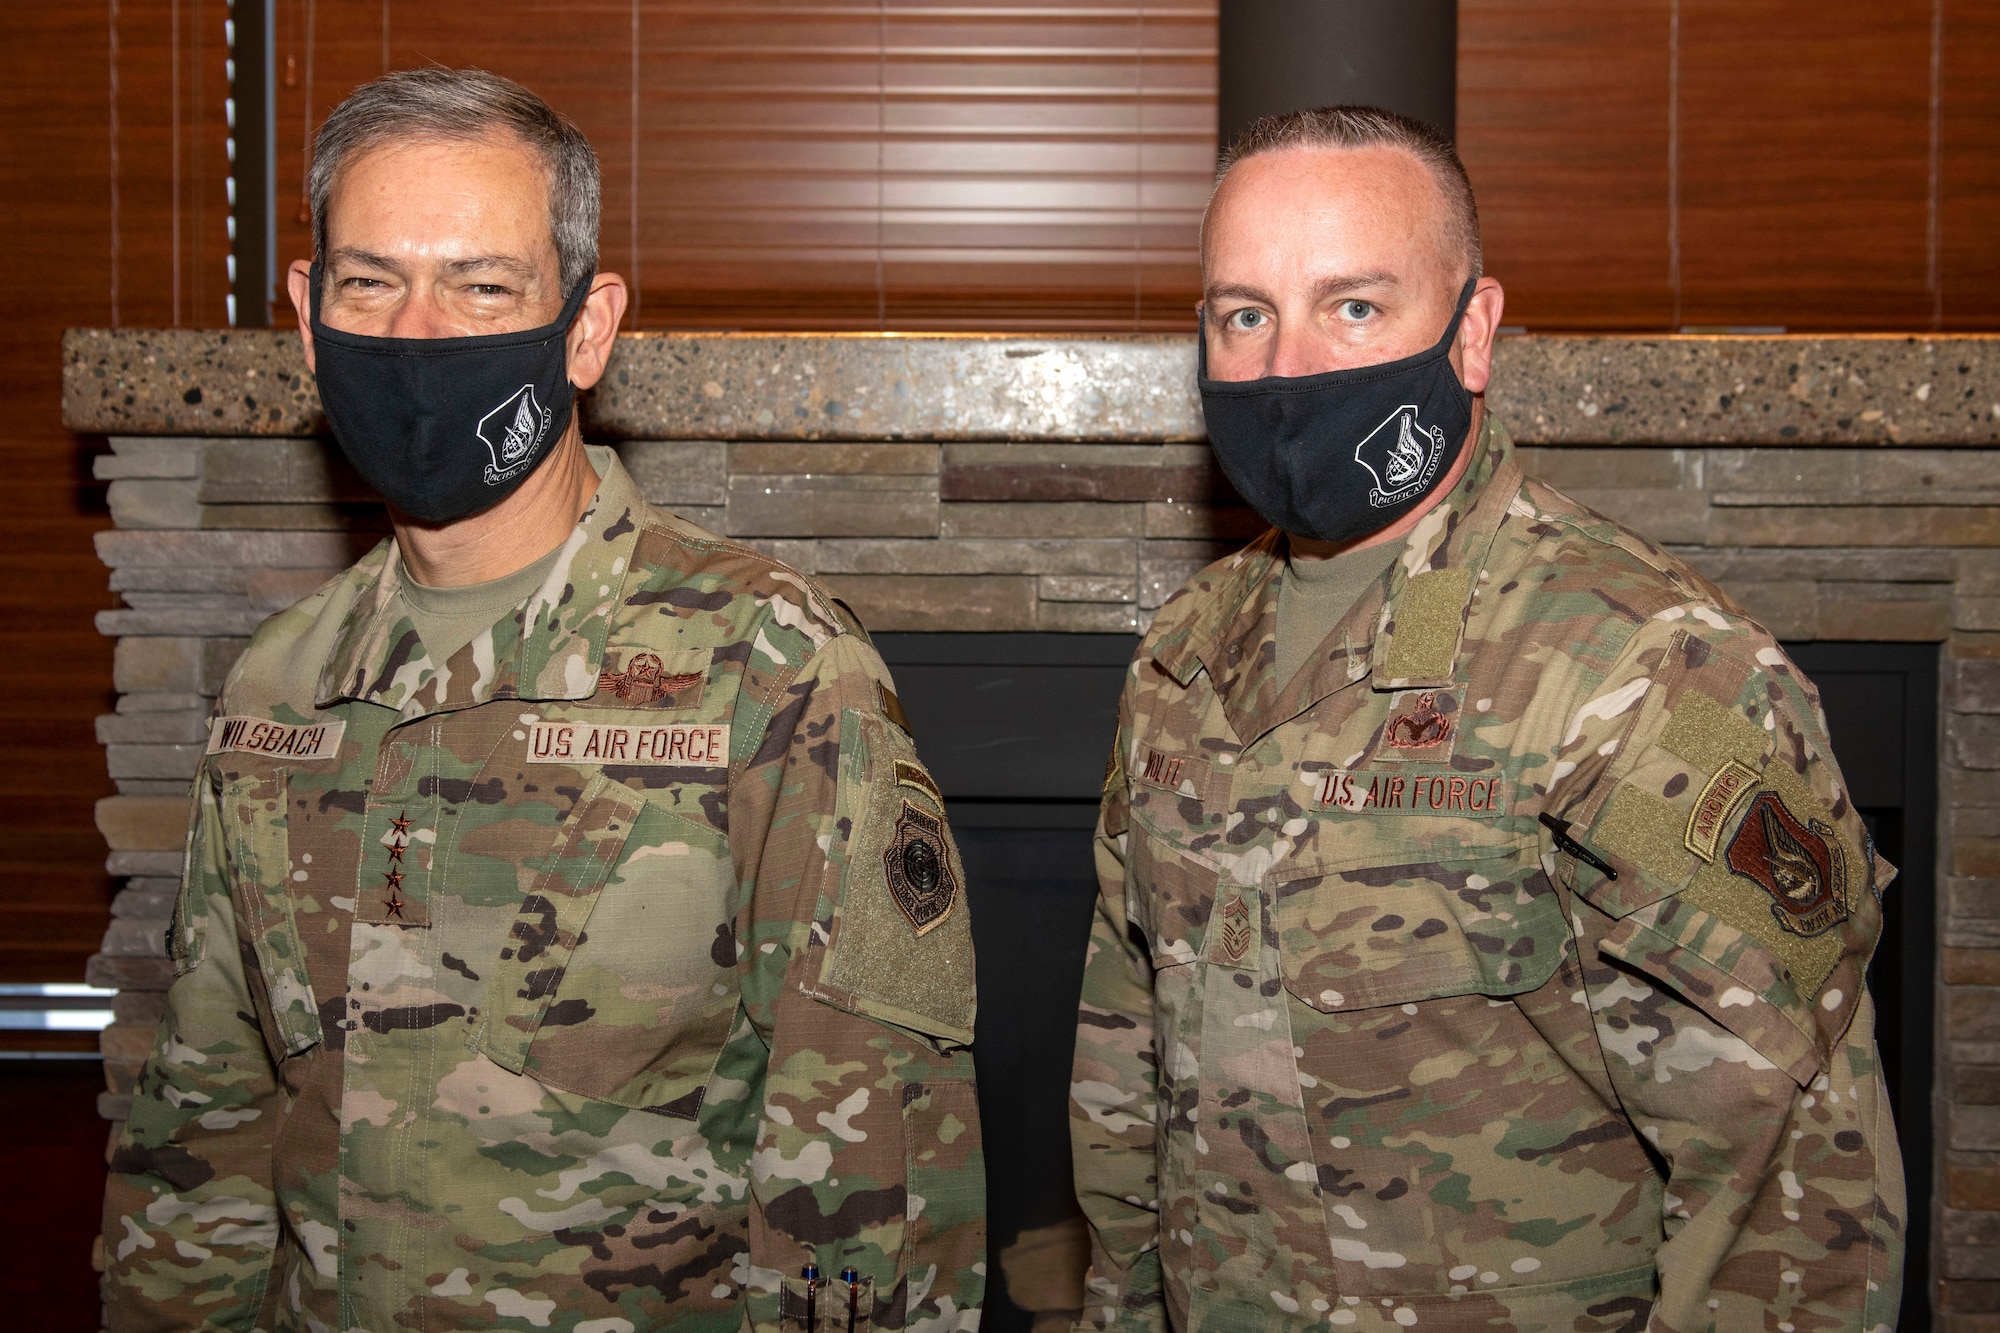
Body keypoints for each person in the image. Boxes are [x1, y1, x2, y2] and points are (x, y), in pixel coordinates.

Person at [103, 69, 985, 1333]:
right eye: (369, 283)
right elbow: (205, 1118)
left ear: (584, 327)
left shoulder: (768, 666)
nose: (415, 338)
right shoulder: (277, 683)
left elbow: (869, 1172)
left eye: (481, 286)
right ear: (305, 318)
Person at [1071, 106, 1903, 1331]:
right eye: (1244, 315)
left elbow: (1786, 1193)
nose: (1287, 371)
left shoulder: (1650, 667)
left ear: (1470, 333)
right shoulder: (1183, 655)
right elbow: (1124, 1060)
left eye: (1352, 307)